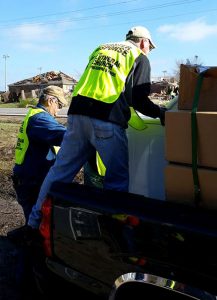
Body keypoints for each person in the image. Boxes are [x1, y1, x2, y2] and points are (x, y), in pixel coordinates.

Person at [28, 25, 167, 230]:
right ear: (144, 42)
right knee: (117, 179)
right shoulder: (138, 56)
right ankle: (113, 231)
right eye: (150, 47)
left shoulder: (101, 48)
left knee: (59, 172)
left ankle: (33, 223)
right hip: (106, 119)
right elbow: (138, 99)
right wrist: (161, 114)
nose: (149, 51)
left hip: (76, 115)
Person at [12, 85, 67, 223]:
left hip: (28, 177)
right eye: (59, 105)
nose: (58, 111)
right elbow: (64, 136)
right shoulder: (40, 119)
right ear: (50, 101)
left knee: (36, 221)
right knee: (36, 223)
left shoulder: (35, 115)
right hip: (32, 181)